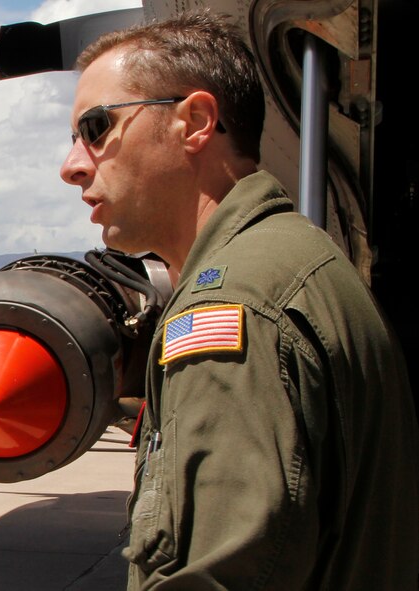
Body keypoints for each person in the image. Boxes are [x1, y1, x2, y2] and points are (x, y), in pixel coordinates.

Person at [60, 12, 419, 590]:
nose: (73, 165)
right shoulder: (300, 263)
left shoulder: (232, 309)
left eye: (96, 128)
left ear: (195, 121)